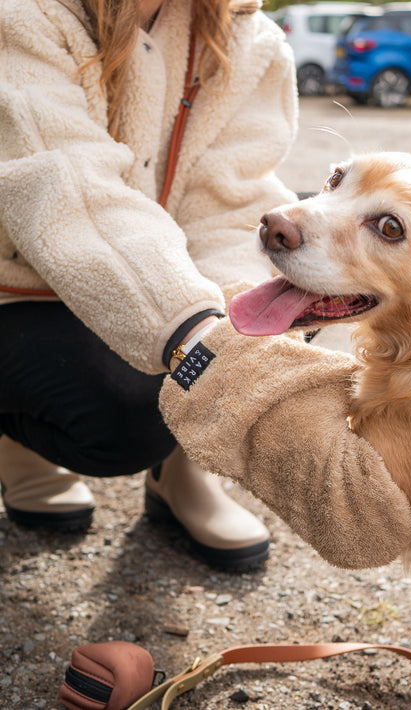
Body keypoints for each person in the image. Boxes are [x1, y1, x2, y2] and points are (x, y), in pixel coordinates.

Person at [0, 0, 297, 570]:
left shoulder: (249, 38)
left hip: (138, 278)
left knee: (284, 290)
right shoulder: (24, 13)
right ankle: (16, 438)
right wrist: (191, 334)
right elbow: (65, 184)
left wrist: (237, 332)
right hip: (15, 290)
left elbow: (230, 207)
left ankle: (183, 471)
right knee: (128, 412)